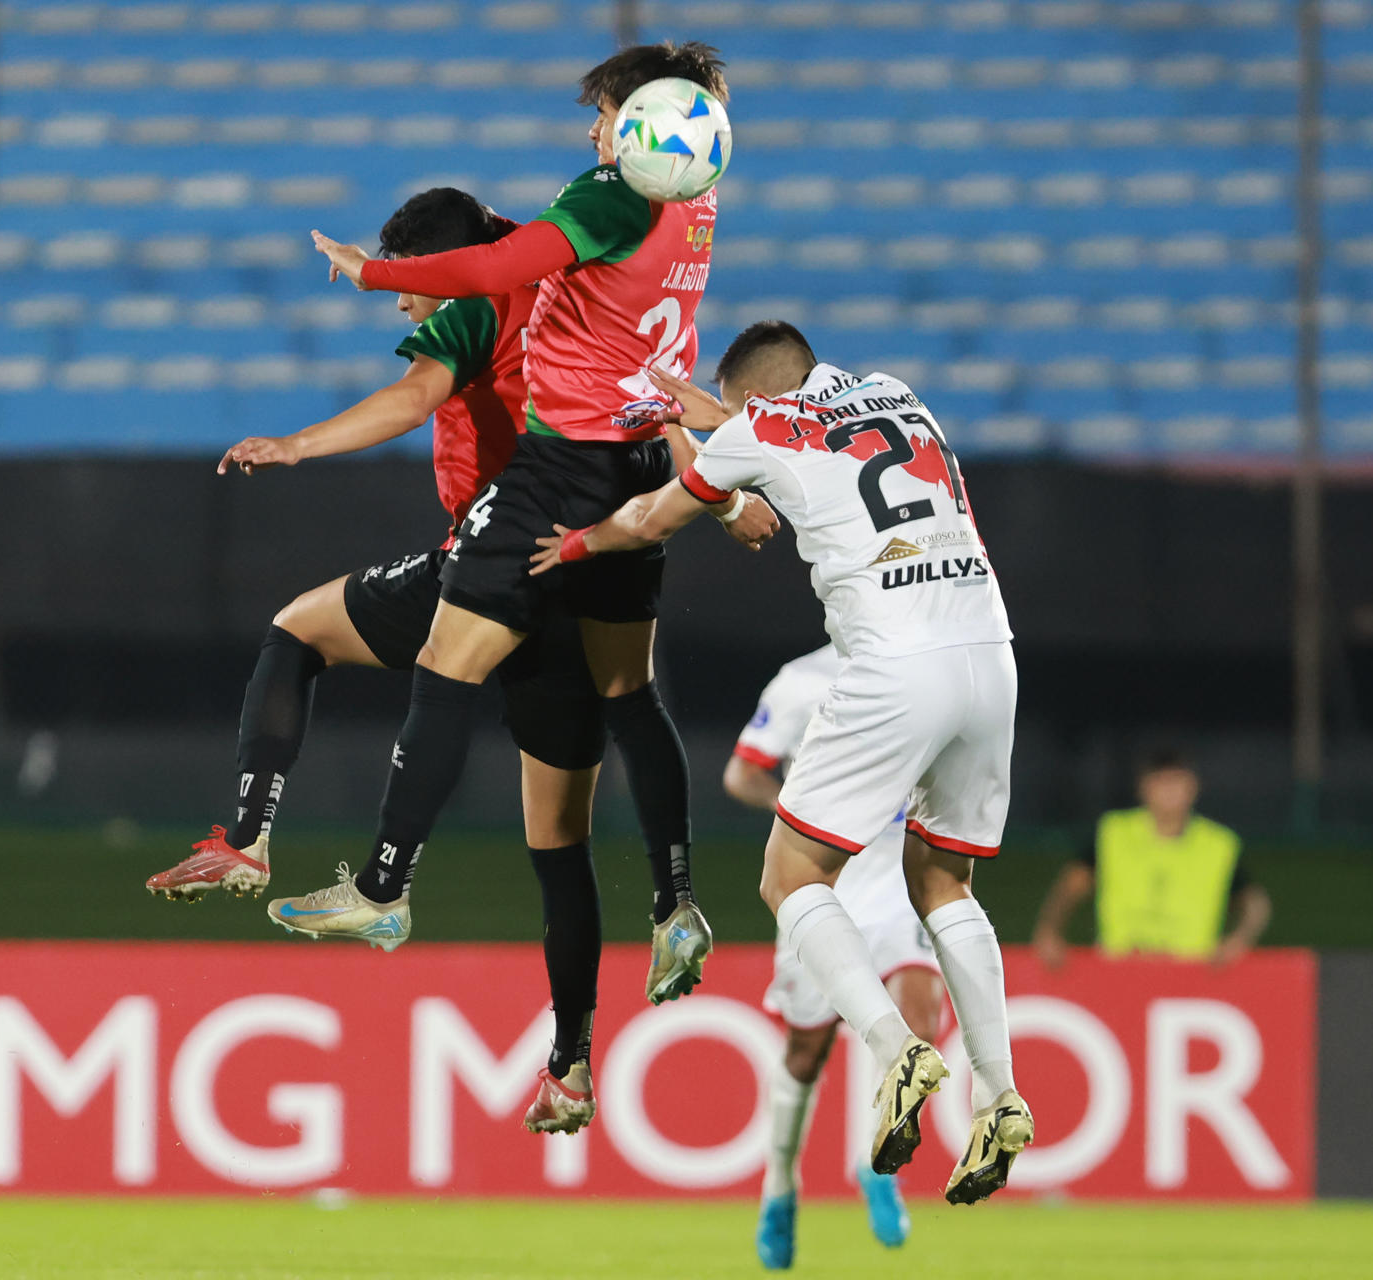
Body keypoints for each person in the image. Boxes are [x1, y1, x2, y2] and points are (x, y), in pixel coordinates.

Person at [278, 42, 778, 1015]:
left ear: (637, 125)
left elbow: (502, 263)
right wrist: (710, 489)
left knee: (444, 659)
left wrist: (375, 269)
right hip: (636, 459)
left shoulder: (615, 198)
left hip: (561, 466)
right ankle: (677, 903)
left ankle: (383, 887)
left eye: (603, 115)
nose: (593, 131)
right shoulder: (694, 203)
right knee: (631, 689)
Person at [139, 188, 625, 1133]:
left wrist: (297, 445)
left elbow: (412, 398)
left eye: (409, 285)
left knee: (297, 629)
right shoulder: (571, 292)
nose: (403, 304)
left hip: (488, 562)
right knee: (560, 846)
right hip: (581, 575)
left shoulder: (477, 306)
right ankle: (570, 1064)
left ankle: (253, 845)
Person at [529, 320, 1033, 1204]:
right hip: (990, 653)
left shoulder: (756, 431)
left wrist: (576, 544)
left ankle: (893, 1050)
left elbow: (656, 513)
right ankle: (1000, 1092)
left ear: (751, 401)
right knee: (945, 884)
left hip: (894, 659)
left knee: (791, 875)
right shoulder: (898, 394)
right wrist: (723, 414)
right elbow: (807, 435)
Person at [726, 644, 944, 1267]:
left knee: (918, 1031)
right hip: (819, 885)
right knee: (806, 1051)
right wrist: (803, 823)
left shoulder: (924, 671)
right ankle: (780, 1187)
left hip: (898, 884)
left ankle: (876, 1162)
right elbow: (743, 772)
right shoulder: (801, 682)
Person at [1032, 748, 1272, 969]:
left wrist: (1237, 941)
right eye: (1160, 782)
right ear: (1143, 787)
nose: (1169, 791)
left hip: (1190, 971)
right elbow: (1072, 885)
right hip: (1121, 967)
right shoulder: (1113, 832)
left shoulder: (1218, 844)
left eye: (1177, 781)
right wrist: (1049, 930)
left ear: (1194, 787)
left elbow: (1255, 903)